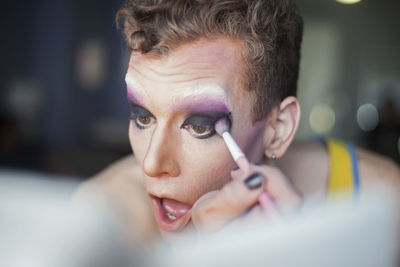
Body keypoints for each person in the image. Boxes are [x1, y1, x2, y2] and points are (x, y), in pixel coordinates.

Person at [74, 0, 400, 245]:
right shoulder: (103, 220)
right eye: (142, 117)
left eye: (199, 125)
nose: (151, 163)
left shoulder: (384, 203)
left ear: (279, 128)